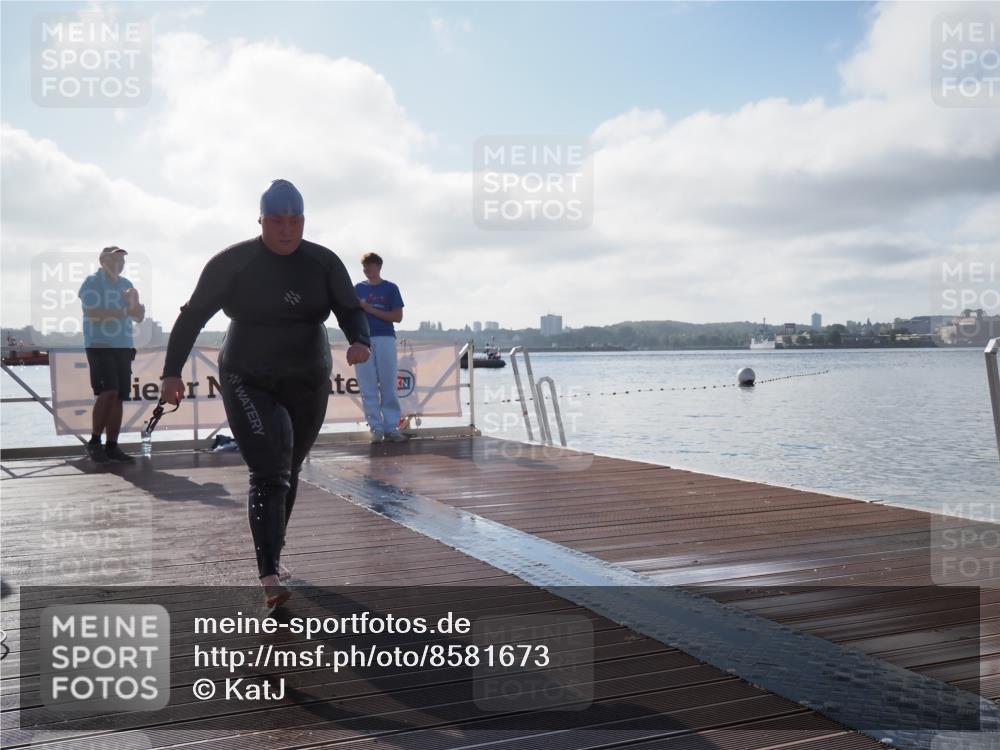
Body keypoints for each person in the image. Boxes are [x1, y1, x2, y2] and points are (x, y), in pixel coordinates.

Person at [159, 179, 370, 610]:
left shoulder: (322, 262)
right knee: (270, 470)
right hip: (246, 375)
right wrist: (170, 373)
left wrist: (359, 339)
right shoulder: (233, 263)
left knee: (288, 468)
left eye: (295, 221)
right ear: (261, 221)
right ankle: (269, 572)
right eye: (277, 221)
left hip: (309, 375)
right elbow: (192, 316)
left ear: (304, 221)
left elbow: (349, 307)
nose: (287, 230)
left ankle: (274, 553)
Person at [79, 246, 145, 464]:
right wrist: (126, 310)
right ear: (102, 261)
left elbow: (138, 317)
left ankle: (112, 446)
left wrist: (137, 308)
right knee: (108, 391)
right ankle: (95, 442)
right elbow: (93, 314)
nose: (119, 262)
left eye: (122, 259)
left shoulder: (127, 284)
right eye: (114, 258)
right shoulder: (92, 283)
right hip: (100, 344)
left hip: (123, 345)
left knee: (119, 397)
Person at [355, 252, 406, 443]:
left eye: (369, 265)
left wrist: (371, 309)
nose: (366, 269)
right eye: (364, 266)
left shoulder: (390, 288)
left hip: (385, 338)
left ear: (378, 266)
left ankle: (391, 427)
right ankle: (375, 427)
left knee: (388, 385)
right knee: (367, 385)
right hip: (363, 340)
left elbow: (397, 316)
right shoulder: (357, 289)